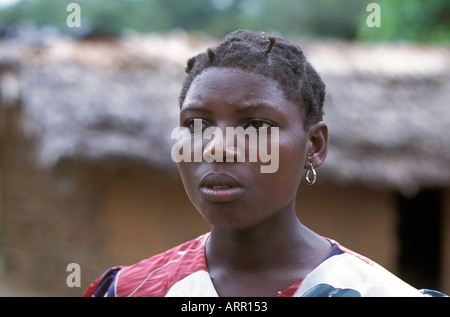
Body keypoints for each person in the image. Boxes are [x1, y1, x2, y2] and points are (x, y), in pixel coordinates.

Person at [84, 30, 446, 297]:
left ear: (314, 146)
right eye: (196, 125)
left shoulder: (374, 292)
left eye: (257, 125)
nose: (218, 147)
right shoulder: (127, 290)